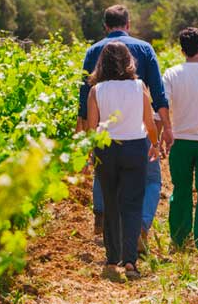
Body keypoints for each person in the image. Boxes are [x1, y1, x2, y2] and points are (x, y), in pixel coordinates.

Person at [77, 4, 174, 251]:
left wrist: (84, 135)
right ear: (128, 25)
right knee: (151, 180)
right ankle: (140, 226)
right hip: (137, 130)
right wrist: (167, 129)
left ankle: (101, 215)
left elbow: (85, 94)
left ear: (106, 26)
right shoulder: (145, 49)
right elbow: (159, 93)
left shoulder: (93, 51)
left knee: (105, 174)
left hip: (105, 131)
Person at [85, 41, 160, 279]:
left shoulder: (97, 90)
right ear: (129, 62)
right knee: (132, 204)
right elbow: (149, 122)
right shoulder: (140, 87)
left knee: (111, 202)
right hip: (135, 148)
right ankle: (130, 261)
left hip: (107, 149)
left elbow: (92, 127)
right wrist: (155, 145)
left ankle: (112, 259)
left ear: (101, 63)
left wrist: (90, 153)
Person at [163, 27, 198, 255]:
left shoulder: (171, 74)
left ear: (181, 50)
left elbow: (162, 107)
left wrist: (165, 131)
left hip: (181, 141)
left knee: (181, 189)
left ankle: (179, 239)